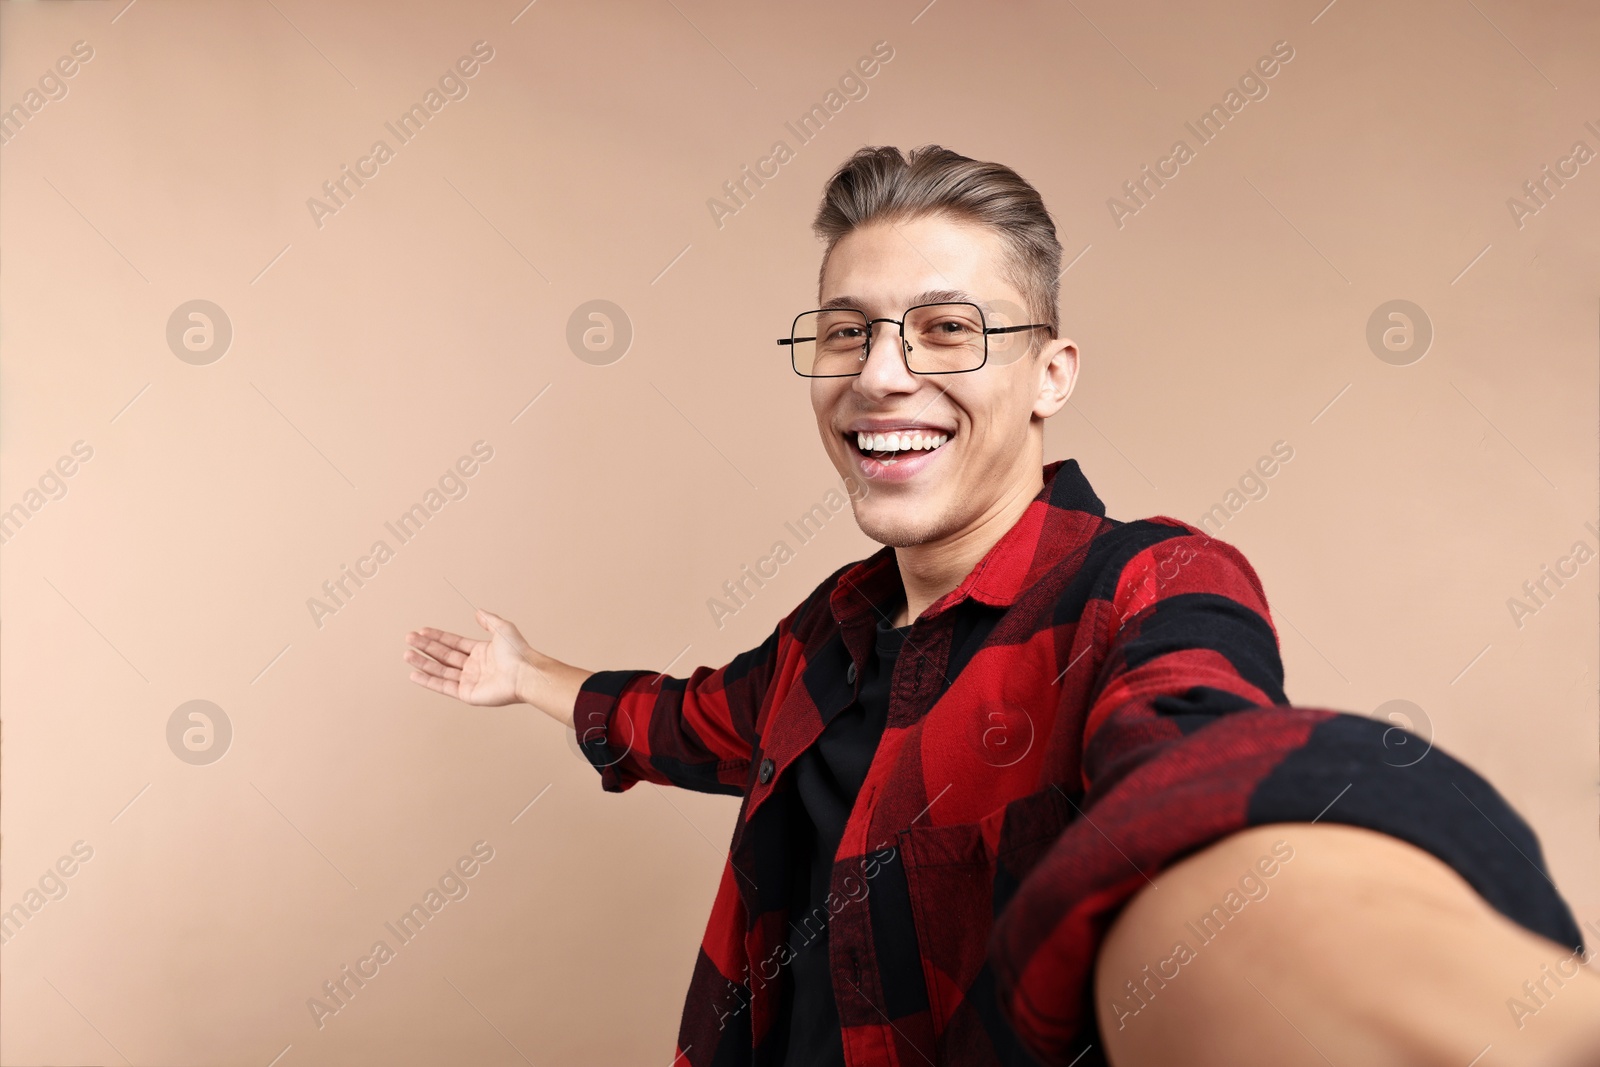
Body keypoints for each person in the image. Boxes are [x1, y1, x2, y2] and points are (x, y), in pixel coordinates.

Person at [403, 145, 1600, 1066]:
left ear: (1050, 374)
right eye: (846, 331)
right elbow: (691, 719)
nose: (879, 372)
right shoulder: (832, 626)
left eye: (943, 329)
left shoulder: (1151, 582)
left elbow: (1197, 795)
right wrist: (526, 671)